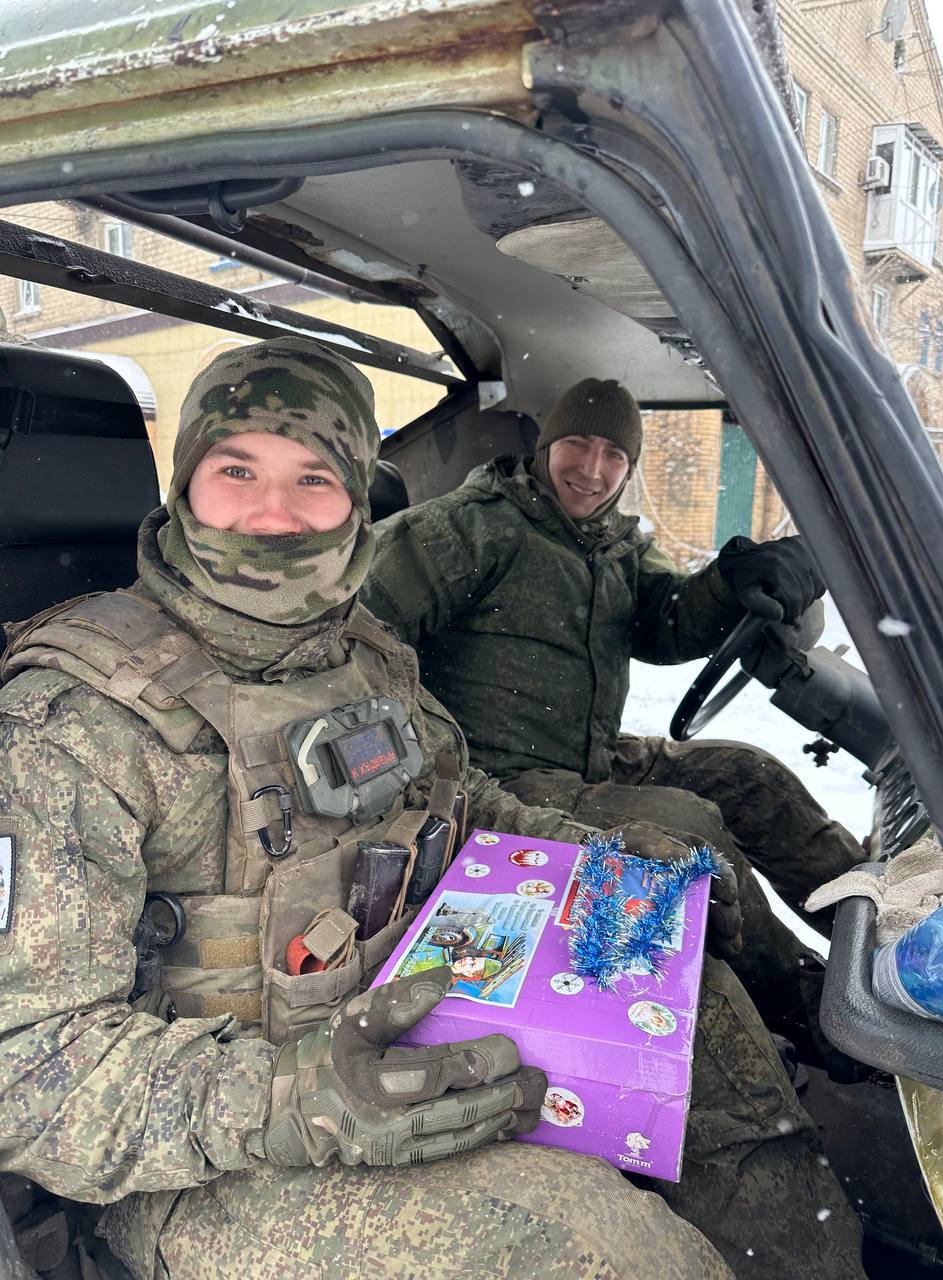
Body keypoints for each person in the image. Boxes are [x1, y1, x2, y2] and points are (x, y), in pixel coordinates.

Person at [0, 340, 862, 1280]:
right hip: (204, 1151)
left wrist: (603, 855)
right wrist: (296, 1100)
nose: (273, 513)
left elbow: (460, 803)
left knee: (703, 1023)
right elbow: (30, 1071)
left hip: (413, 1015)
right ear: (185, 484)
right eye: (236, 470)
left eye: (314, 479)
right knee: (605, 1250)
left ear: (354, 499)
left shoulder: (363, 653)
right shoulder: (75, 721)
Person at [362, 377, 866, 1031]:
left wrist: (732, 580)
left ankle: (880, 937)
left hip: (589, 757)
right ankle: (813, 1015)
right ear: (547, 446)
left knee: (749, 776)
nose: (592, 469)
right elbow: (362, 632)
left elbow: (666, 622)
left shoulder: (612, 545)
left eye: (614, 454)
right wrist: (429, 752)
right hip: (502, 777)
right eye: (577, 443)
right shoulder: (468, 529)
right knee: (689, 829)